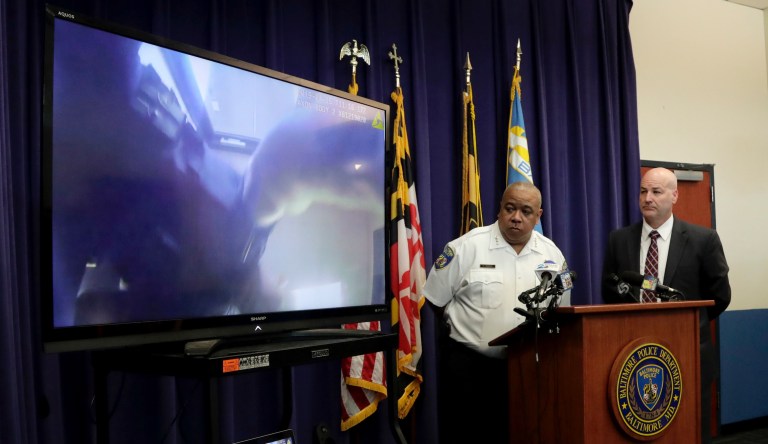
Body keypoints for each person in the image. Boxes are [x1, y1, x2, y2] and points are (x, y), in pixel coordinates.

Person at [423, 182, 569, 444]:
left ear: (539, 216)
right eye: (510, 208)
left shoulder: (552, 254)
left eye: (526, 211)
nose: (516, 218)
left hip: (529, 370)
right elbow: (434, 299)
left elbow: (561, 309)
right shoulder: (465, 248)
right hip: (471, 370)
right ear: (500, 209)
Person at [602, 167, 731, 444]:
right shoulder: (619, 239)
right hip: (631, 354)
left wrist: (687, 324)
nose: (647, 198)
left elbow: (720, 296)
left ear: (674, 195)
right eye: (643, 191)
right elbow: (609, 291)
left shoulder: (703, 240)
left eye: (656, 192)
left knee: (690, 430)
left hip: (688, 353)